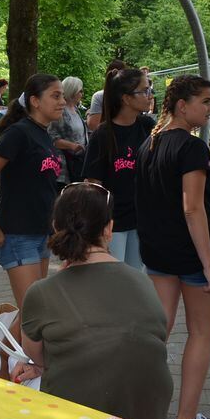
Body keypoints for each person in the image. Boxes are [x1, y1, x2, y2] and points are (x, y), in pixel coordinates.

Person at [13, 182, 172, 419]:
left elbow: (36, 355)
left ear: (55, 227)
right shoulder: (143, 281)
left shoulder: (41, 292)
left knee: (23, 378)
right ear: (109, 229)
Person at [136, 75, 210, 419]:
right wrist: (209, 266)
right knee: (201, 332)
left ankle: (136, 413)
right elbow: (193, 209)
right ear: (182, 105)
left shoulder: (149, 143)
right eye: (206, 101)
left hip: (158, 252)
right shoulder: (191, 148)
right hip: (191, 255)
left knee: (159, 332)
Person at [0, 74, 64, 357]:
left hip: (41, 234)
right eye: (55, 96)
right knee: (34, 315)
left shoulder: (43, 133)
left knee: (33, 313)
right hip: (18, 235)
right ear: (35, 101)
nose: (62, 101)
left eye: (62, 95)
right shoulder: (19, 134)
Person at [82, 69, 156, 269]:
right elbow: (94, 184)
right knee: (113, 276)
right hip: (112, 222)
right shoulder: (103, 134)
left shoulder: (147, 126)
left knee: (136, 277)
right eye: (144, 91)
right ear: (126, 98)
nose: (150, 96)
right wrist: (99, 224)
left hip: (141, 218)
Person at [48, 77, 88, 185]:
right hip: (65, 165)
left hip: (78, 162)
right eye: (80, 91)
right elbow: (51, 137)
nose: (82, 94)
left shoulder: (75, 109)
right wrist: (72, 146)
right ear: (72, 91)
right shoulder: (60, 111)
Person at [86, 59, 126, 132]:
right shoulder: (130, 97)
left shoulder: (99, 96)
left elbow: (93, 125)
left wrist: (88, 114)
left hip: (106, 136)